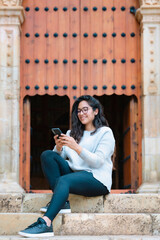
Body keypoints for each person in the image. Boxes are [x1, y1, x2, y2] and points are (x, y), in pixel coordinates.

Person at [18, 95, 115, 238]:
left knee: (64, 181)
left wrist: (76, 147)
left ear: (95, 111)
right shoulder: (72, 133)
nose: (81, 113)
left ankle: (46, 223)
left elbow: (98, 162)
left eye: (85, 110)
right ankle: (63, 202)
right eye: (79, 111)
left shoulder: (105, 132)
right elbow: (59, 160)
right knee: (48, 155)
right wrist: (58, 147)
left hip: (97, 179)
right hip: (75, 176)